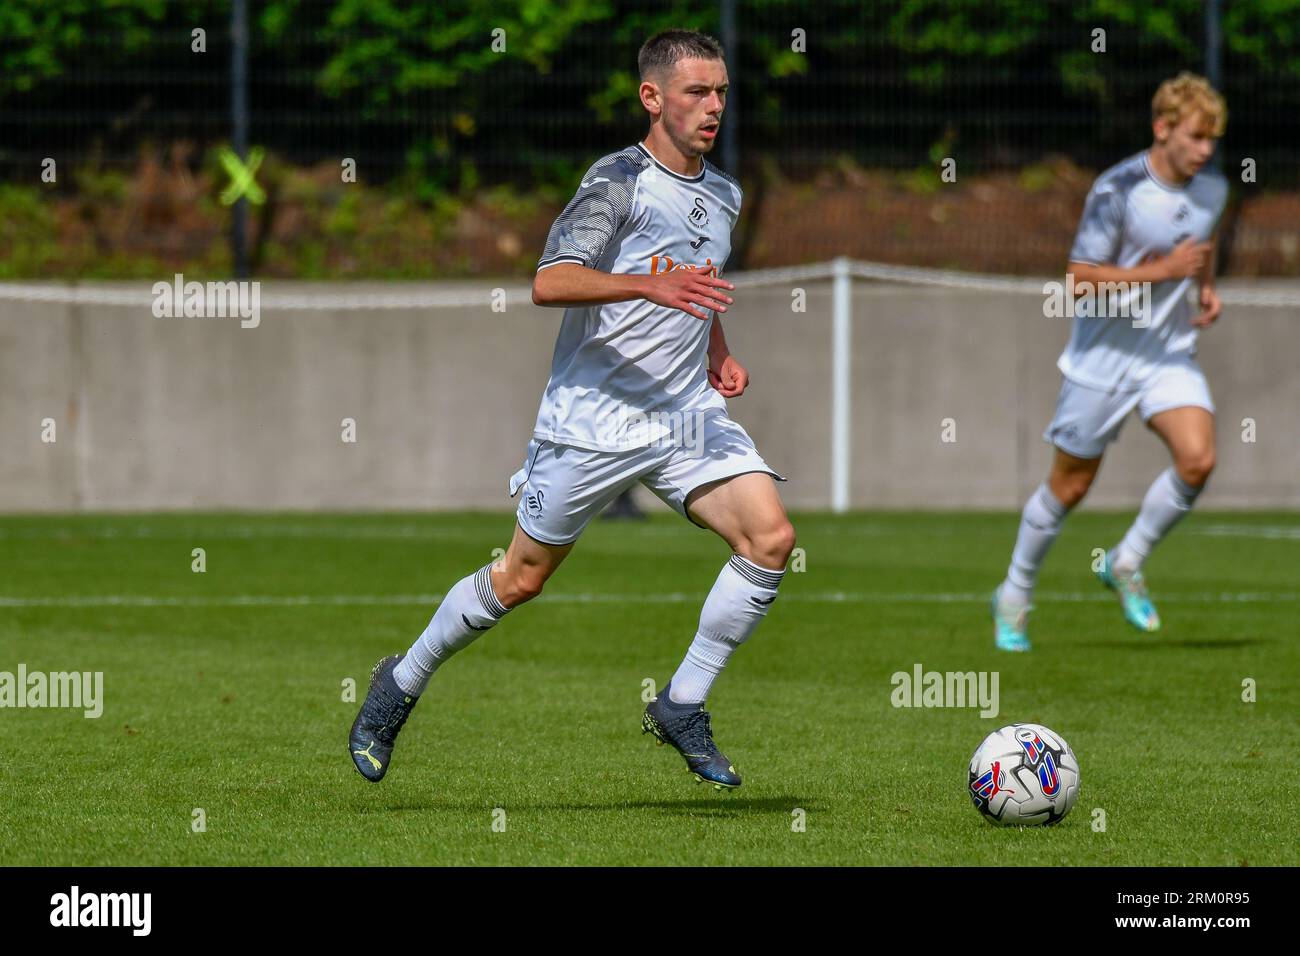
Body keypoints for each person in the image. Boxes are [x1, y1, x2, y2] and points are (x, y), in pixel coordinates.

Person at [349, 29, 794, 789]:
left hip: (684, 414)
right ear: (652, 98)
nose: (713, 105)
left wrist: (716, 350)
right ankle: (400, 682)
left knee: (770, 537)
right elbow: (549, 282)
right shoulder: (617, 182)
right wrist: (648, 285)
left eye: (720, 91)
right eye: (697, 91)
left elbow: (697, 286)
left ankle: (682, 703)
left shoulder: (725, 193)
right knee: (520, 578)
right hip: (594, 419)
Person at [992, 73, 1229, 652]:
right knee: (1069, 488)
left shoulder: (1214, 188)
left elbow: (1202, 239)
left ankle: (1126, 560)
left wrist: (1204, 284)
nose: (1205, 150)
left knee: (1198, 460)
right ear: (1163, 128)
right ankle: (1014, 593)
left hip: (1166, 355)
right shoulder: (1115, 191)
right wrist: (1163, 272)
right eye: (1196, 137)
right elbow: (1078, 283)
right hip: (1102, 359)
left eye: (1212, 140)